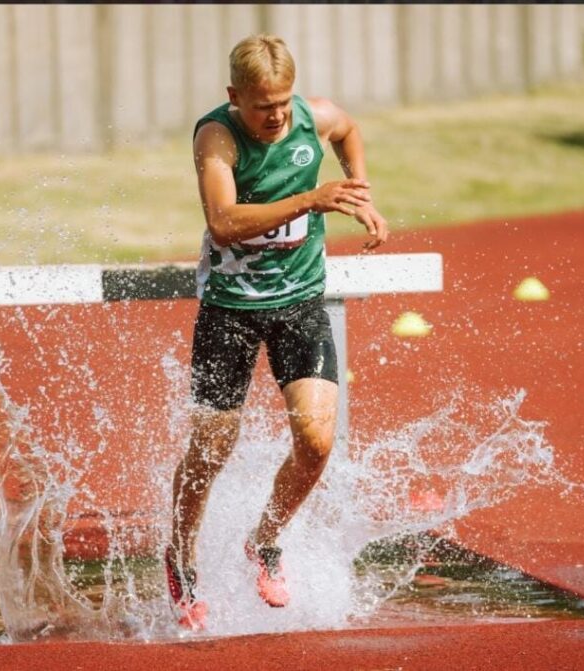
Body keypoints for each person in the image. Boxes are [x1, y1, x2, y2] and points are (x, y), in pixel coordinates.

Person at [165, 33, 389, 630]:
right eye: (263, 105)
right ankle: (181, 556)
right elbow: (225, 223)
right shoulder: (216, 137)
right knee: (211, 447)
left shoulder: (313, 117)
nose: (277, 116)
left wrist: (359, 189)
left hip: (299, 301)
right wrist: (313, 198)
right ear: (234, 96)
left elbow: (346, 130)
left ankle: (264, 542)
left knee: (316, 440)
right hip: (230, 309)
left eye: (284, 103)